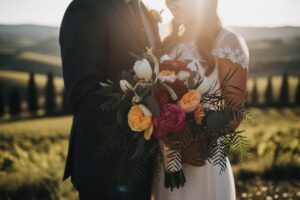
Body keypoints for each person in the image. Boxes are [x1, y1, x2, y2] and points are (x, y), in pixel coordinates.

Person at [59, 0, 160, 199]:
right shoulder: (86, 7)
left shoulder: (145, 11)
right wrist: (138, 120)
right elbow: (84, 96)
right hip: (105, 167)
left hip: (145, 164)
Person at [151, 0, 249, 199]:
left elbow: (234, 112)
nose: (171, 4)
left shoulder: (227, 42)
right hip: (168, 162)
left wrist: (195, 140)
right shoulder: (167, 45)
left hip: (203, 161)